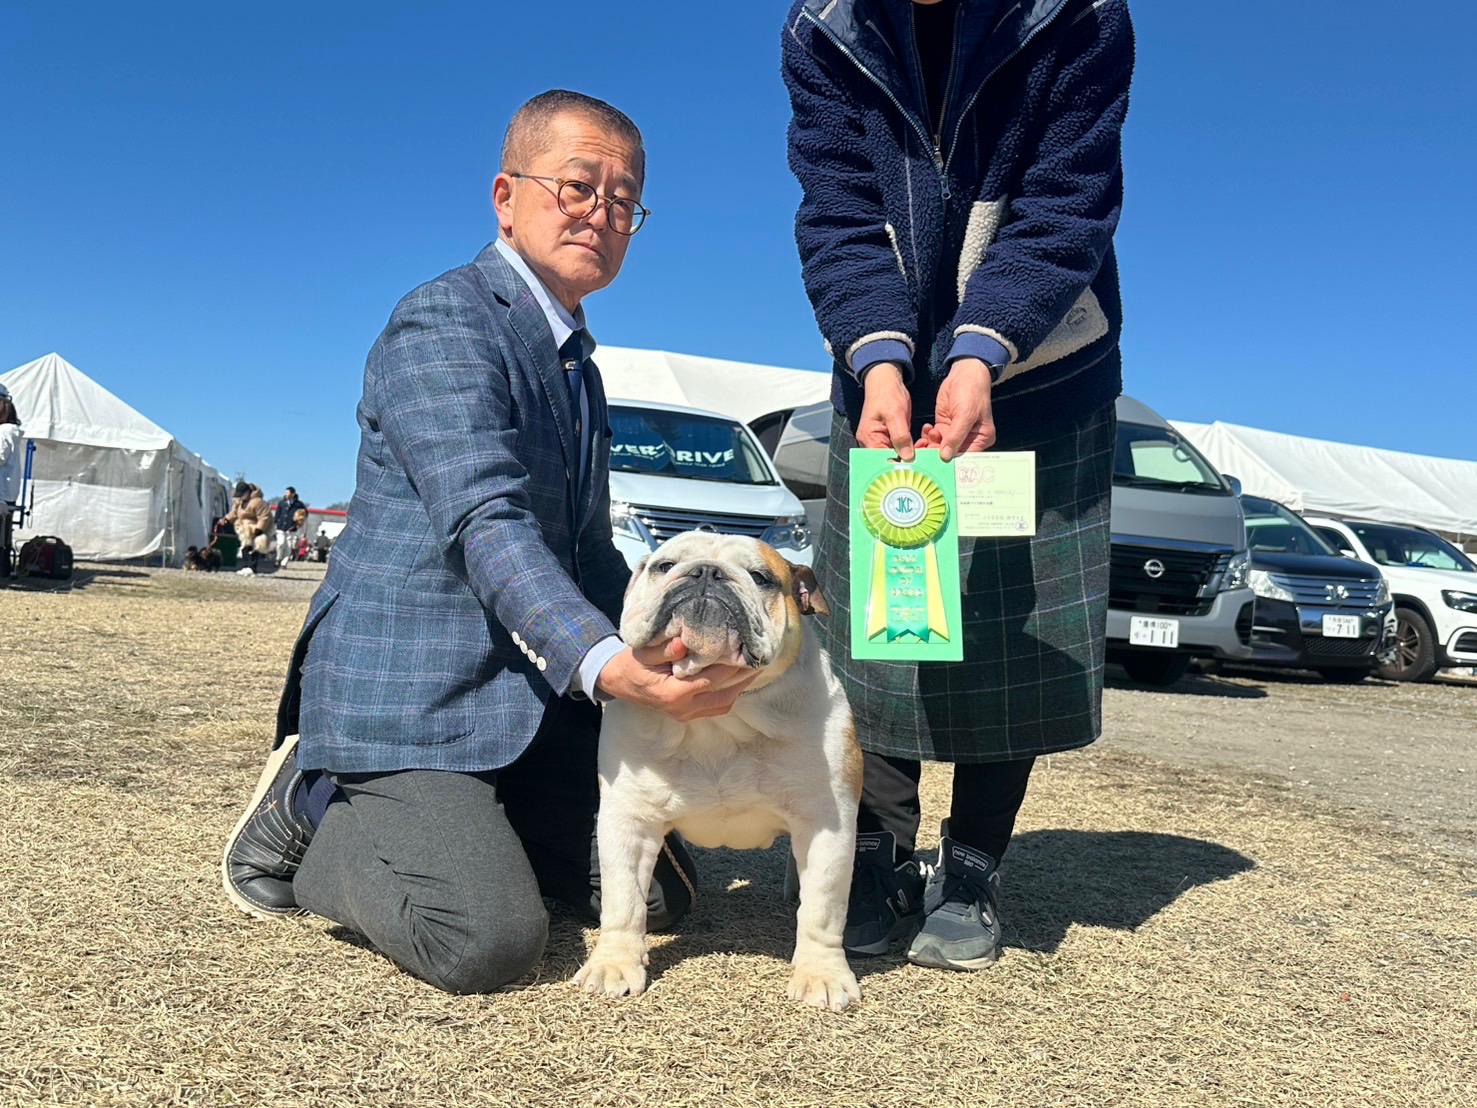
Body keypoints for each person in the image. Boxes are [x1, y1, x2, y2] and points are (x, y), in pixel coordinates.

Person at [222, 90, 755, 995]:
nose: (601, 214)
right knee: (484, 939)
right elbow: (484, 518)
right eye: (578, 187)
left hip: (526, 693)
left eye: (624, 201)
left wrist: (662, 644)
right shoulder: (443, 322)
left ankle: (478, 817)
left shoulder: (580, 366)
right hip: (412, 690)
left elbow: (589, 553)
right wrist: (601, 664)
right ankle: (309, 808)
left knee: (657, 898)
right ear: (506, 197)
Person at [782, 0, 1134, 970]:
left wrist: (980, 352)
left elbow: (1066, 204)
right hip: (882, 380)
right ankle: (872, 852)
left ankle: (972, 865)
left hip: (1037, 373)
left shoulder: (1082, 17)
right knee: (878, 627)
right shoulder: (820, 29)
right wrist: (879, 363)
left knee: (1005, 631)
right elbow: (838, 216)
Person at [221, 481, 275, 575]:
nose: (240, 497)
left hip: (258, 528)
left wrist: (259, 529)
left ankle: (252, 567)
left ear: (248, 492)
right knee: (245, 546)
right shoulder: (239, 502)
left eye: (242, 494)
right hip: (244, 528)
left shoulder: (258, 502)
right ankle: (246, 566)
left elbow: (264, 516)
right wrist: (227, 519)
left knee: (256, 546)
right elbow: (234, 513)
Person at [0, 384, 23, 578]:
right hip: (8, 492)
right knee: (3, 538)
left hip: (1, 491)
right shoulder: (11, 432)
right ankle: (3, 570)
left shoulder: (3, 432)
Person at [273, 486, 306, 567]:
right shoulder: (282, 503)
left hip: (292, 528)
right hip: (281, 527)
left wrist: (299, 522)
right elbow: (277, 514)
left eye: (288, 492)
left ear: (293, 494)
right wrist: (275, 522)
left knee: (288, 546)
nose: (286, 494)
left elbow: (304, 514)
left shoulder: (299, 504)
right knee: (280, 543)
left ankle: (284, 562)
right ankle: (278, 558)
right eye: (286, 492)